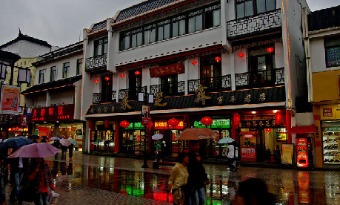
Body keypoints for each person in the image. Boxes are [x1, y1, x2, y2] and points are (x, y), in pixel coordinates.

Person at [187, 141, 209, 205]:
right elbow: (190, 169)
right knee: (194, 200)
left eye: (198, 145)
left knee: (202, 199)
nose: (198, 147)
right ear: (191, 146)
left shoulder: (198, 155)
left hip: (200, 181)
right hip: (192, 182)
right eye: (196, 145)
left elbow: (201, 168)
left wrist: (205, 178)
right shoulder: (189, 156)